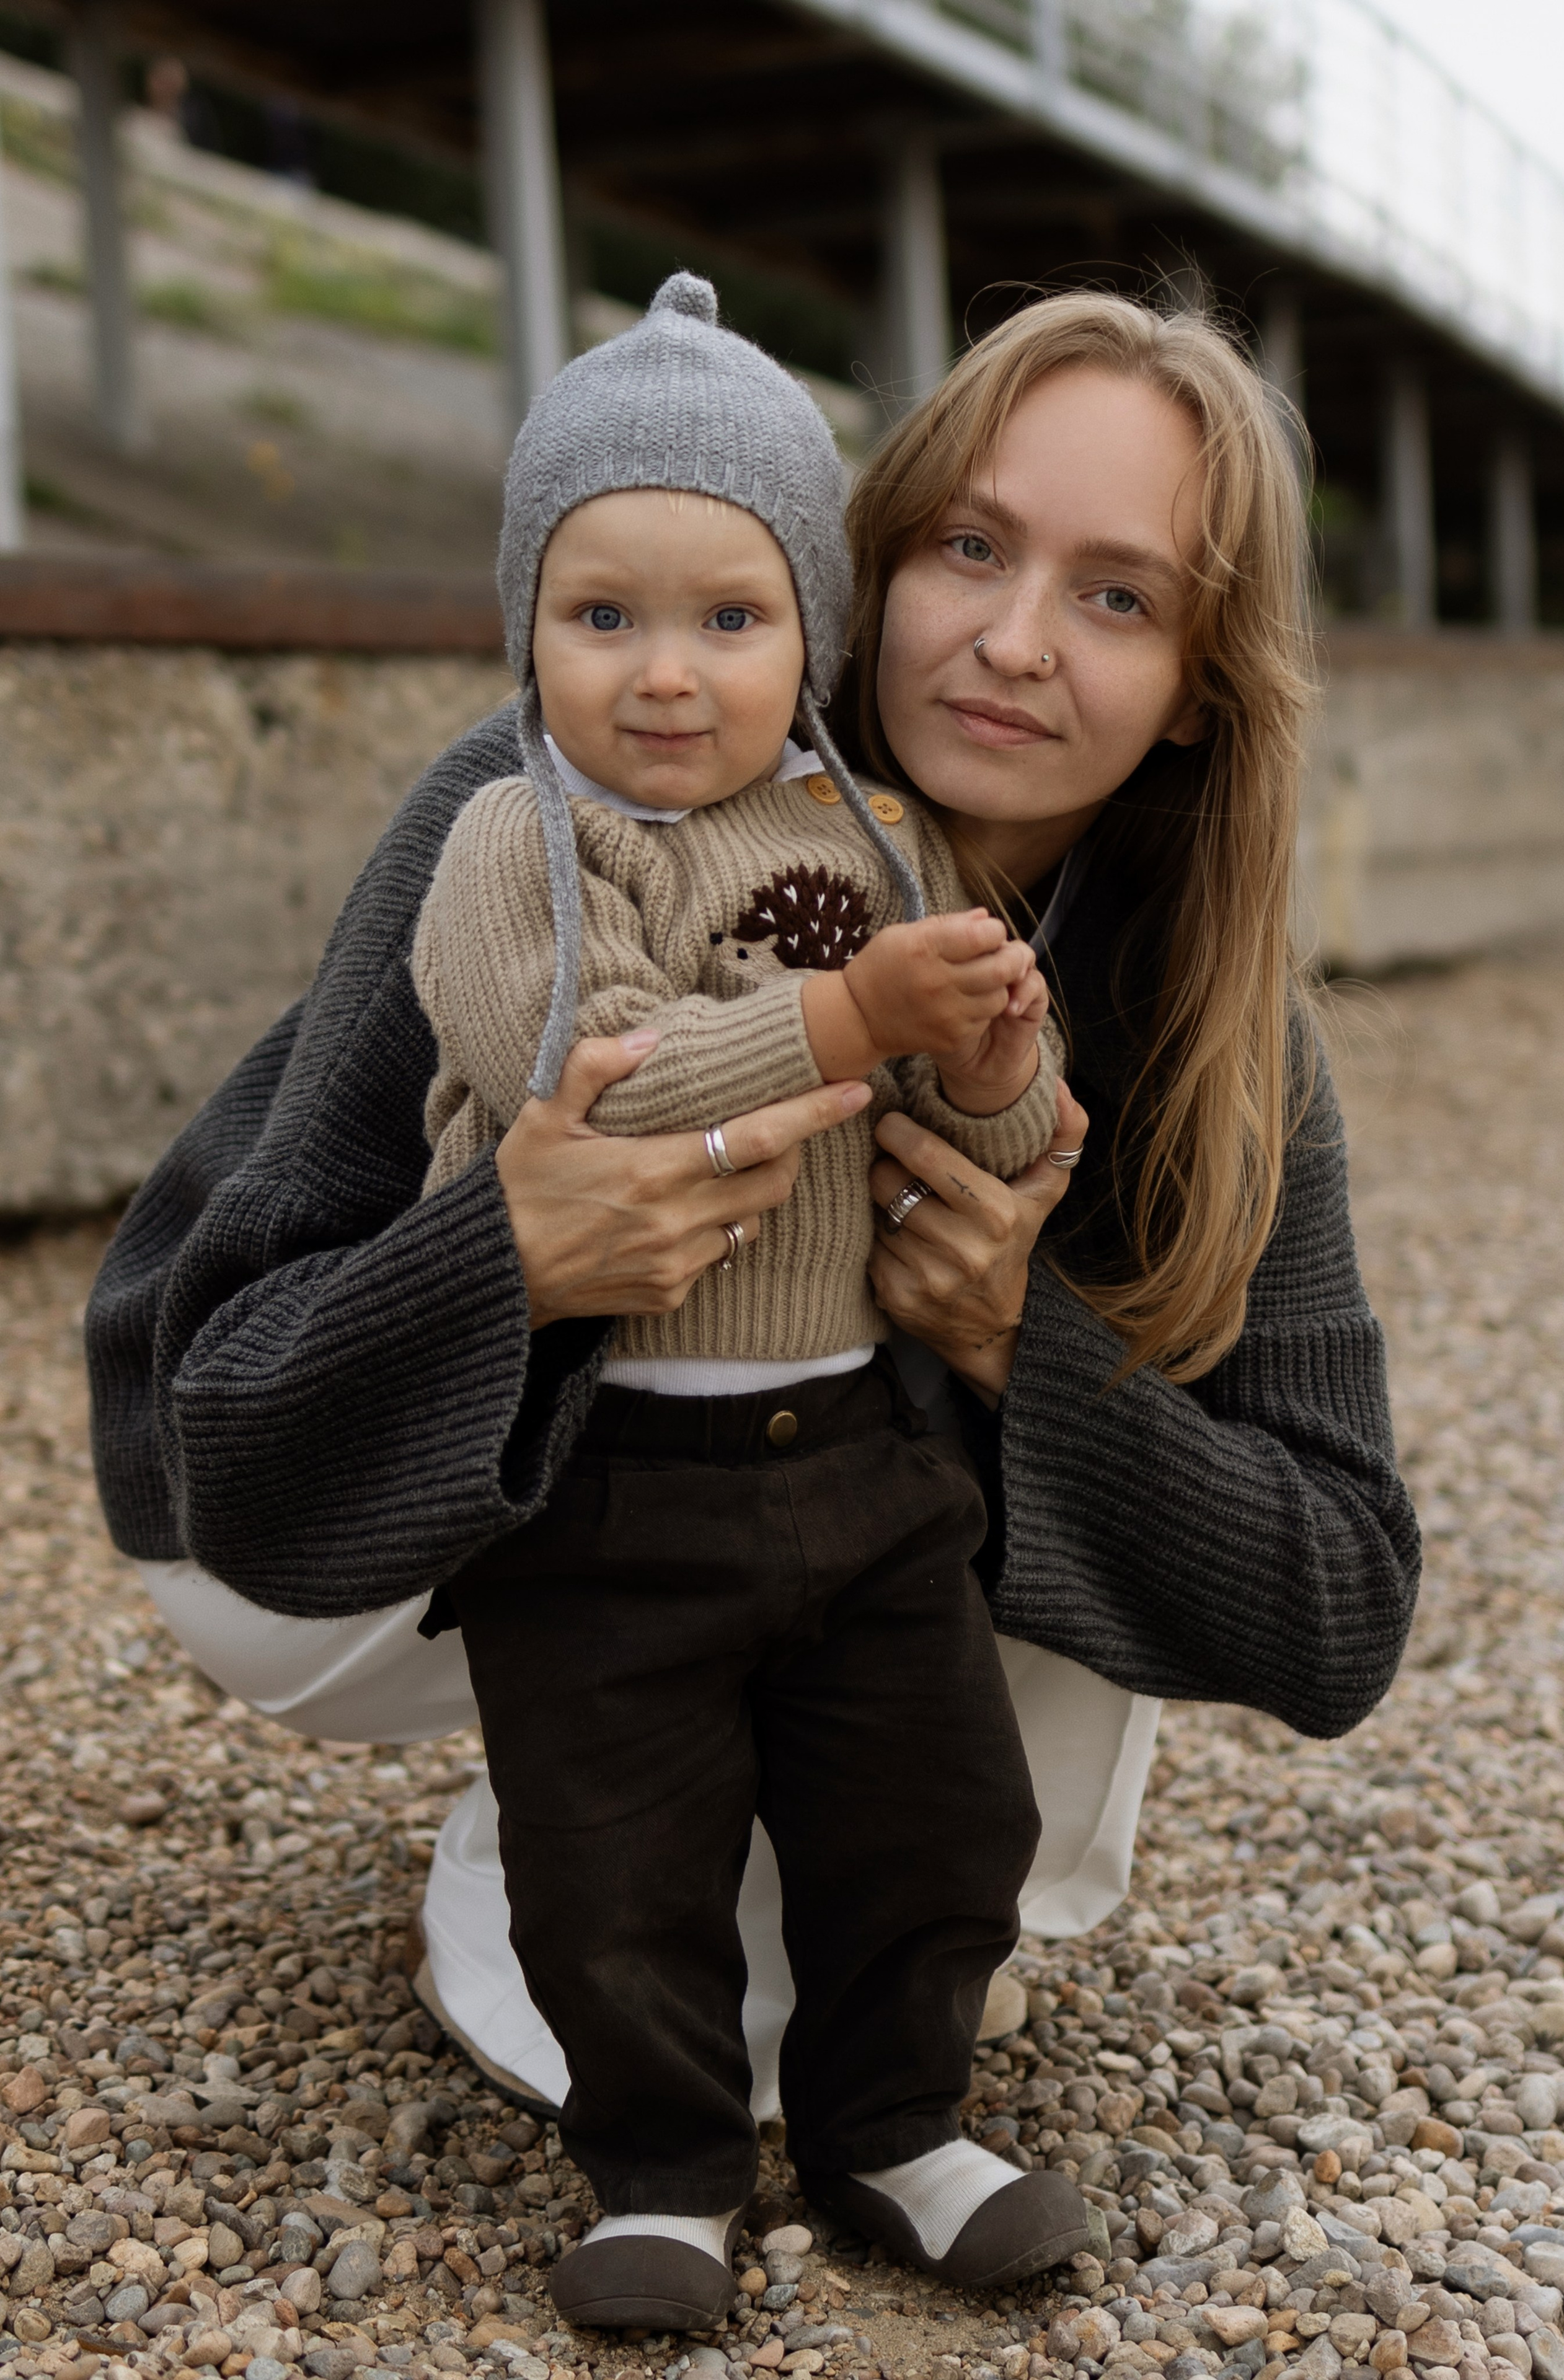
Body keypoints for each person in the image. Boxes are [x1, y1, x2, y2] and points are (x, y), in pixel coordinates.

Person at [86, 285, 1418, 2307]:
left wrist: (1011, 1347)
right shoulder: (558, 783)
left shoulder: (1213, 1026)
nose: (1013, 638)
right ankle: (560, 1819)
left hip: (823, 1503)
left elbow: (1338, 1602)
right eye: (971, 546)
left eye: (1120, 596)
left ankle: (720, 1845)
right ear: (867, 563)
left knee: (998, 1725)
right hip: (318, 1496)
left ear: (1203, 689)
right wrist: (507, 1262)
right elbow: (241, 1437)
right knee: (643, 1924)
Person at [405, 275, 1079, 2325]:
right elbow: (586, 1086)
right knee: (617, 1844)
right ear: (528, 624)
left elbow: (1014, 1131)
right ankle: (666, 2165)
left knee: (935, 1800)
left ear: (815, 641)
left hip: (861, 1451)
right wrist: (854, 1019)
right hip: (609, 1471)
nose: (668, 677)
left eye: (731, 618)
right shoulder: (517, 843)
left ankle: (900, 2120)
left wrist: (986, 1062)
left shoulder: (866, 830)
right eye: (604, 617)